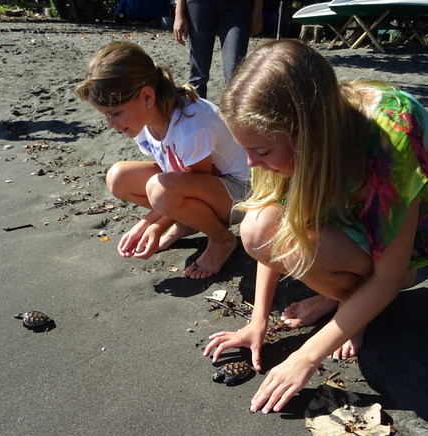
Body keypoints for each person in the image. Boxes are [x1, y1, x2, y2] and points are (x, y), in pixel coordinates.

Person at [204, 39, 428, 413]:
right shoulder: (276, 143)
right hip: (344, 223)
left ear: (309, 133)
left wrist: (307, 357)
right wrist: (258, 320)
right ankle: (344, 300)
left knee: (356, 277)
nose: (250, 162)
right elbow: (269, 232)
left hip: (405, 248)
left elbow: (388, 277)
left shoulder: (393, 133)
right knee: (256, 228)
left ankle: (349, 309)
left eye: (260, 151)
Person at [75, 41, 250, 279]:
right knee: (118, 178)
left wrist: (152, 225)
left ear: (147, 96)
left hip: (240, 196)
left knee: (160, 189)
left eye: (115, 113)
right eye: (106, 115)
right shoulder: (144, 120)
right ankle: (187, 221)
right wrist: (157, 222)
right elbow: (175, 175)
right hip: (200, 188)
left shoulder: (190, 127)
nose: (110, 125)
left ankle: (221, 239)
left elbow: (193, 184)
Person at [173, 0, 262, 98]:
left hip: (237, 7)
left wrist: (257, 11)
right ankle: (197, 111)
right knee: (198, 76)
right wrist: (178, 12)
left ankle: (232, 111)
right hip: (200, 4)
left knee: (234, 75)